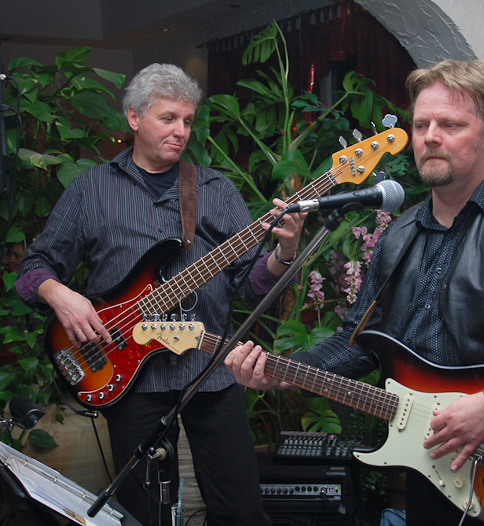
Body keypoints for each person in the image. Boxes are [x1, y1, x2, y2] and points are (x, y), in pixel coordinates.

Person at [225, 59, 484, 525]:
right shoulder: (400, 234)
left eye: (450, 125)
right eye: (420, 125)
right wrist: (285, 372)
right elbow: (358, 341)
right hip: (428, 464)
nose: (430, 137)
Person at [16, 63, 304, 526]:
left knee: (241, 508)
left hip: (210, 371)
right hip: (127, 372)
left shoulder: (214, 189)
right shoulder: (91, 189)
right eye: (168, 118)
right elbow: (34, 269)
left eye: (187, 121)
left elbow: (249, 283)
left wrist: (284, 252)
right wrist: (60, 295)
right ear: (134, 117)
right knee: (144, 512)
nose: (180, 131)